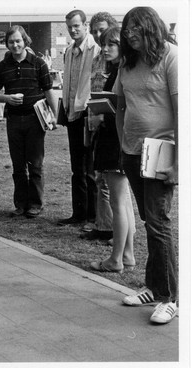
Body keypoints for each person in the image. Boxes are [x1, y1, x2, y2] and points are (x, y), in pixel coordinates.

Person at [114, 7, 178, 324]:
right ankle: (154, 289)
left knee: (158, 223)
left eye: (136, 28)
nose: (129, 34)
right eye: (127, 29)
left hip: (162, 151)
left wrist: (179, 161)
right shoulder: (127, 63)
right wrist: (123, 142)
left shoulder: (171, 56)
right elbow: (119, 105)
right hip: (132, 151)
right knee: (150, 221)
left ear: (151, 27)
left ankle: (169, 297)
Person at [0, 25, 57, 218]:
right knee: (18, 165)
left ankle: (35, 204)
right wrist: (7, 99)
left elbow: (48, 91)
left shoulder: (38, 63)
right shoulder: (2, 67)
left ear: (25, 41)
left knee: (35, 164)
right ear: (7, 44)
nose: (15, 45)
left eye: (18, 41)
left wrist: (54, 115)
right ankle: (20, 204)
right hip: (13, 120)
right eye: (11, 42)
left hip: (35, 120)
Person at [88, 26, 136, 273]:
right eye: (104, 44)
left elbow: (121, 107)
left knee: (118, 203)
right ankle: (126, 254)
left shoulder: (122, 71)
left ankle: (116, 259)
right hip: (117, 140)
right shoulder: (121, 69)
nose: (105, 48)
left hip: (115, 141)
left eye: (112, 44)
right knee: (124, 201)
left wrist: (101, 117)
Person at [57, 9, 100, 226]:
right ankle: (79, 213)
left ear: (85, 25)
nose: (73, 30)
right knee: (77, 168)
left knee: (89, 168)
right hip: (72, 113)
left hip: (88, 113)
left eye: (76, 26)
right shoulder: (69, 51)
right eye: (70, 27)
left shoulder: (96, 50)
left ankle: (92, 216)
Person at [80, 11, 119, 241]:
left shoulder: (116, 61)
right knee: (100, 178)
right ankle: (104, 226)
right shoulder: (96, 58)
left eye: (101, 29)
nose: (97, 35)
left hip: (111, 123)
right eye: (94, 31)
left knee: (110, 182)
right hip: (95, 121)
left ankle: (113, 229)